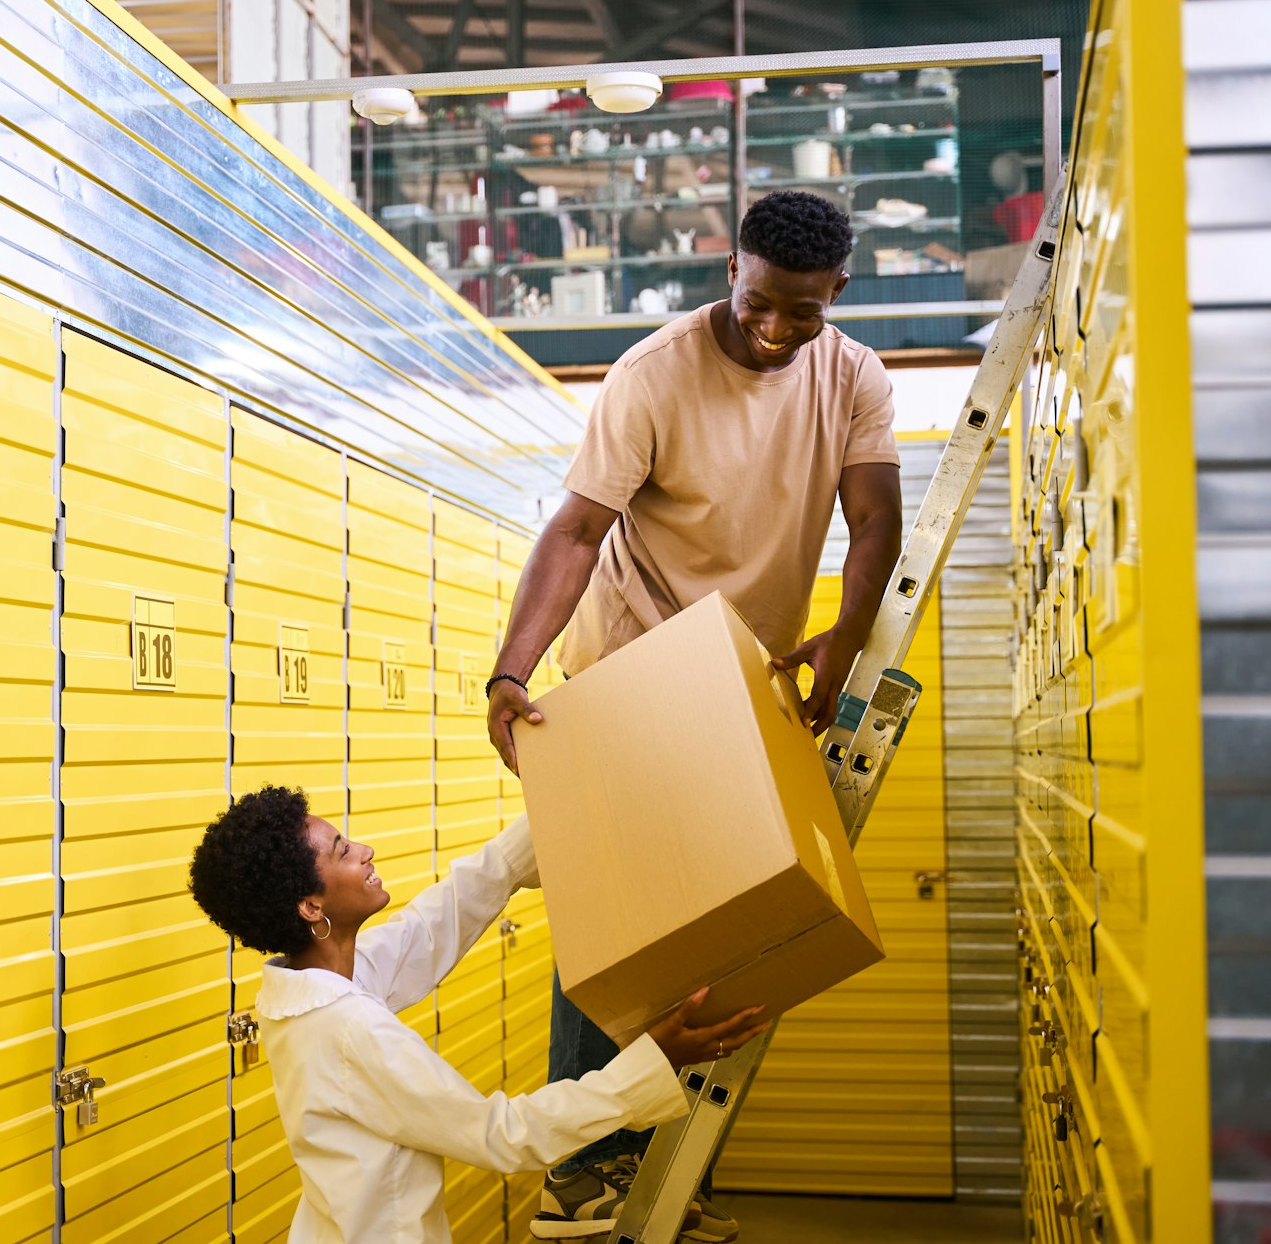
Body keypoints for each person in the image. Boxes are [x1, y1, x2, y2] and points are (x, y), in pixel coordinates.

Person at [484, 191, 904, 1241]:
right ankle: (578, 1170)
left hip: (740, 681)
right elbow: (577, 531)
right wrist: (511, 670)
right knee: (618, 915)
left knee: (710, 926)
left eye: (799, 314)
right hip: (631, 665)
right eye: (759, 302)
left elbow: (873, 522)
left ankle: (656, 1163)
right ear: (730, 267)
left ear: (834, 295)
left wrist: (845, 634)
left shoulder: (850, 374)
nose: (774, 329)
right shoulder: (653, 373)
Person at [188, 784, 771, 1244]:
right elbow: (505, 1136)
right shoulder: (346, 1029)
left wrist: (548, 814)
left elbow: (426, 932)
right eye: (342, 850)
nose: (364, 850)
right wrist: (652, 1062)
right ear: (311, 905)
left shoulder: (315, 984)